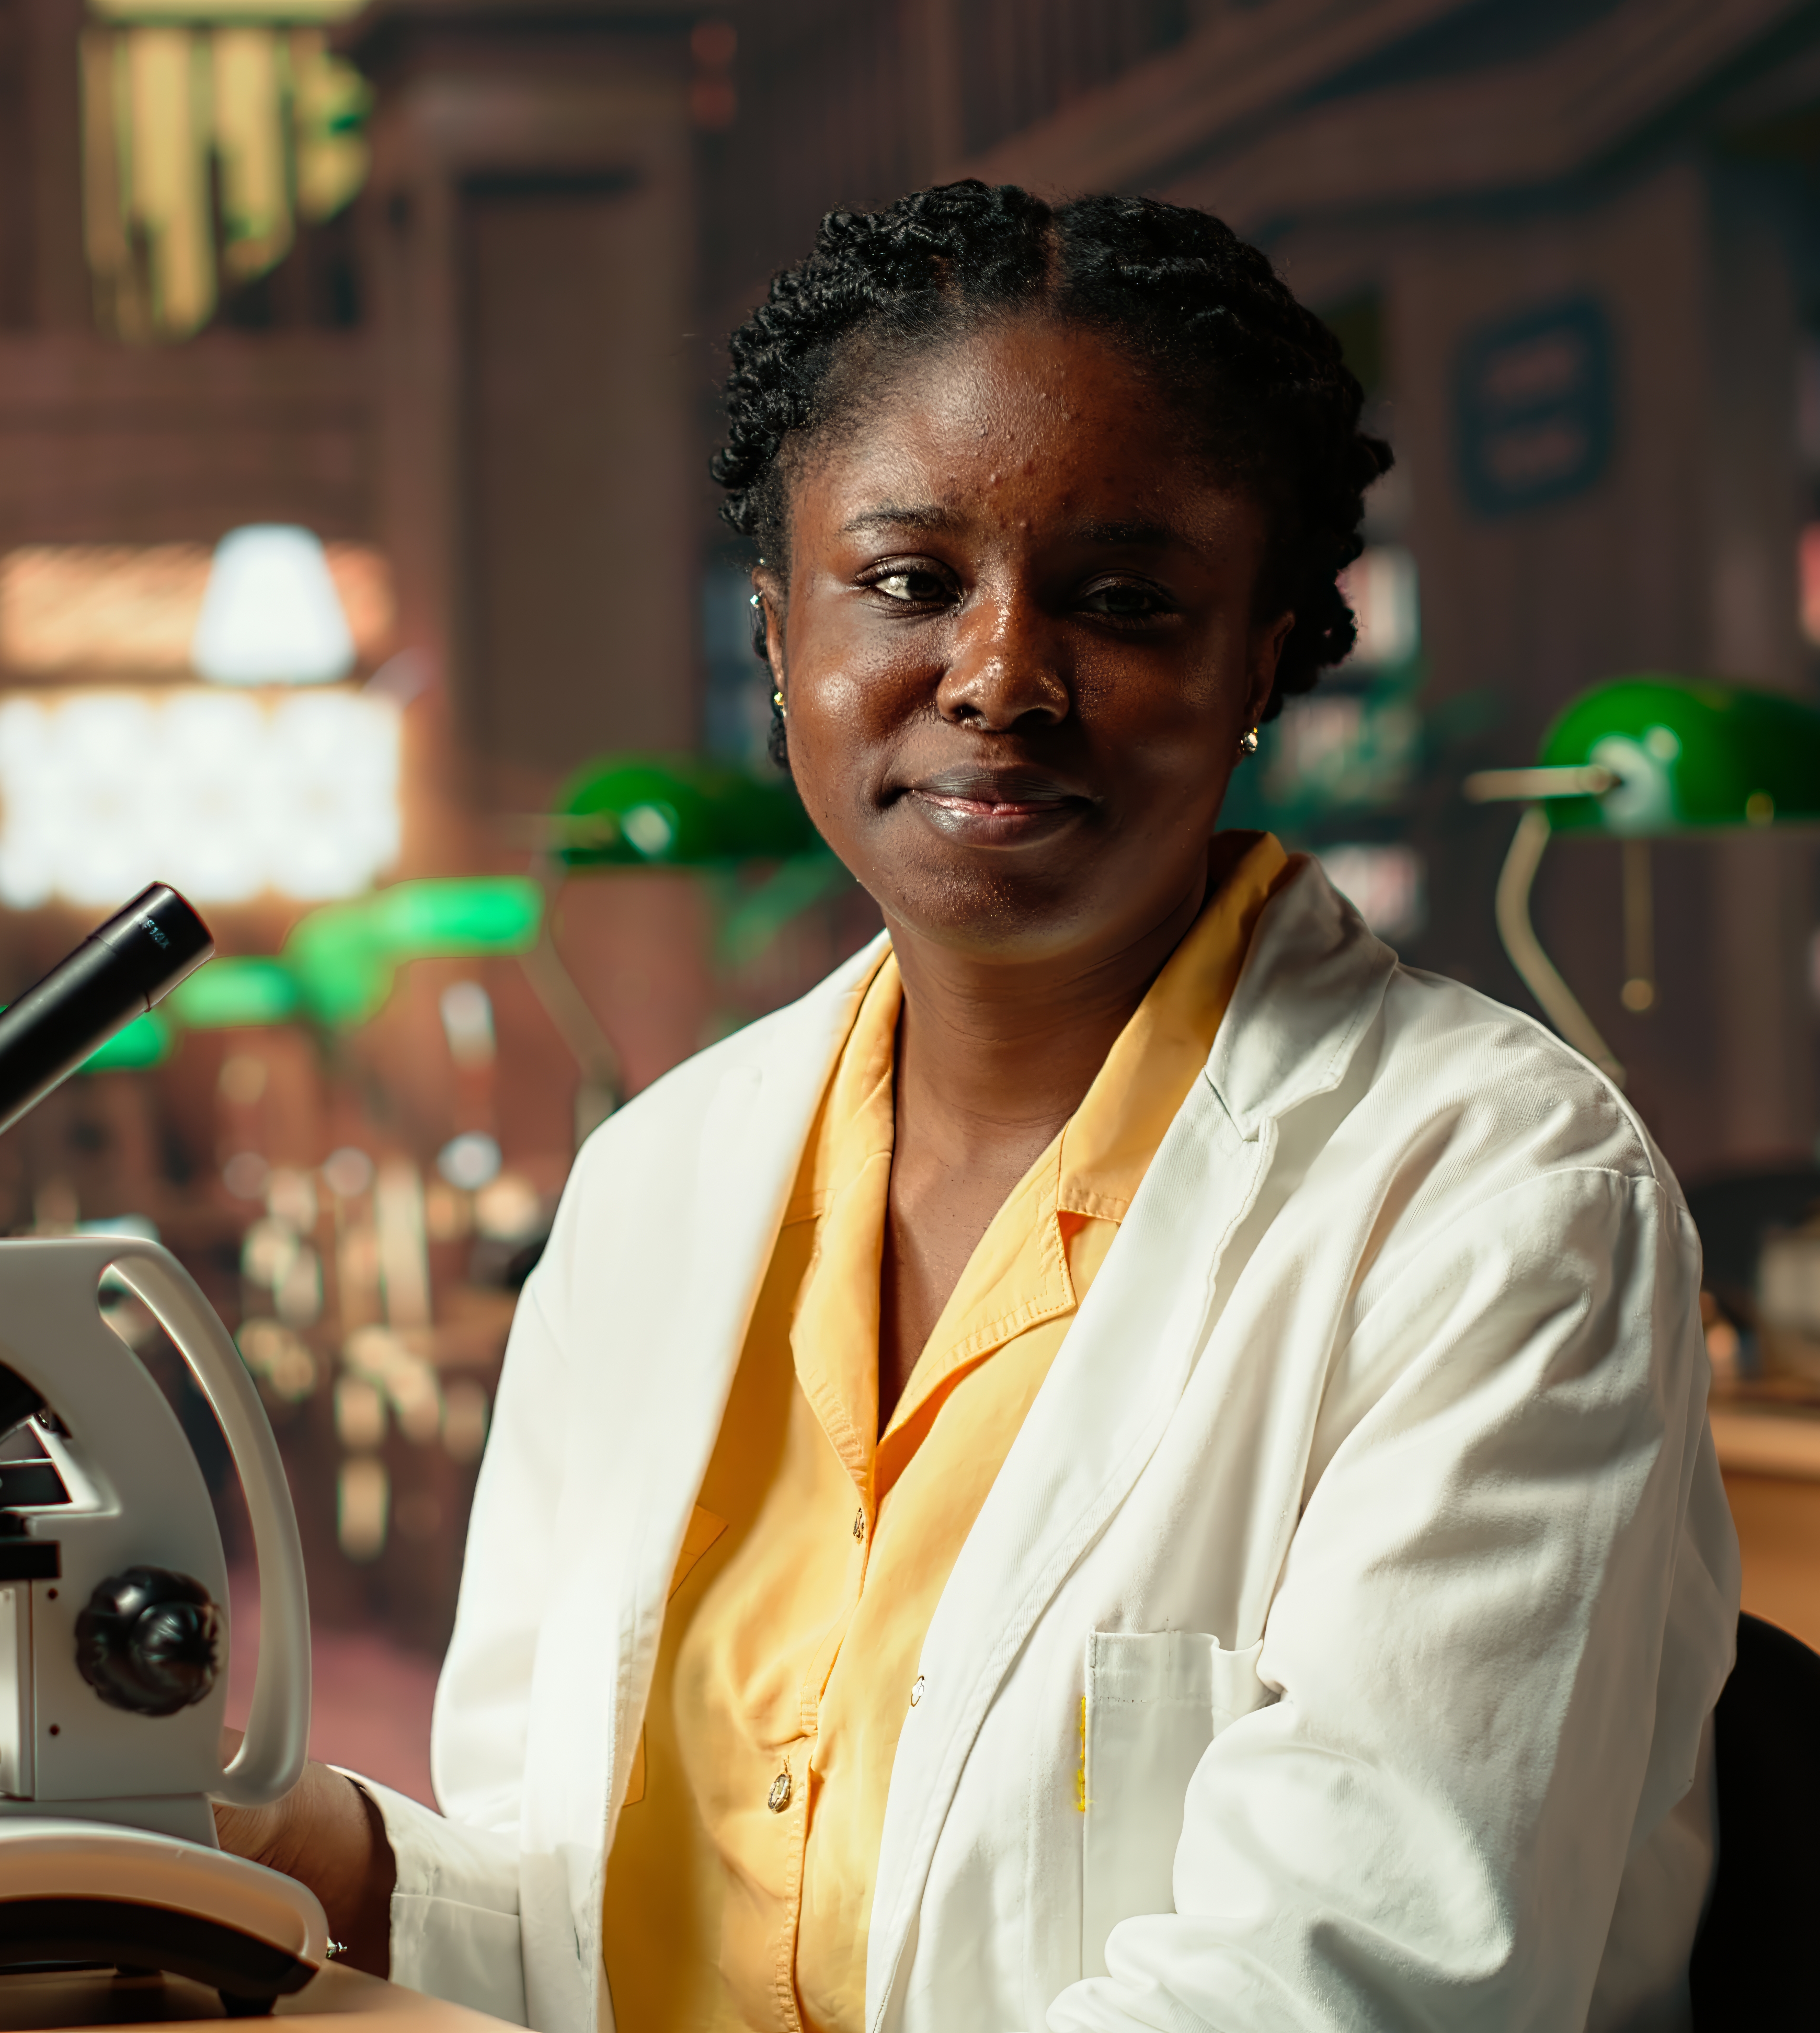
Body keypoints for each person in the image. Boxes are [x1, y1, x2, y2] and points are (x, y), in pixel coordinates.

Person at [211, 184, 1740, 2029]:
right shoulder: (654, 1186)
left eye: (1123, 600)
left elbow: (1354, 1986)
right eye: (912, 582)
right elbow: (579, 1929)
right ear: (782, 641)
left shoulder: (1494, 1198)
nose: (1003, 675)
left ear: (1259, 660)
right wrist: (290, 1843)